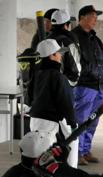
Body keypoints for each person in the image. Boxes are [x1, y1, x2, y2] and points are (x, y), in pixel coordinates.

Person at [72, 5, 103, 165]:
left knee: (93, 120)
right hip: (84, 86)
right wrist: (86, 73)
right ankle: (78, 152)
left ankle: (86, 150)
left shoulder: (95, 38)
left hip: (98, 86)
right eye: (92, 16)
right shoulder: (74, 37)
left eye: (96, 16)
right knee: (81, 120)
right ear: (82, 17)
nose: (95, 19)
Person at [30, 39, 79, 169]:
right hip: (49, 122)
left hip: (34, 119)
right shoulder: (58, 77)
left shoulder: (37, 74)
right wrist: (73, 123)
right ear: (51, 56)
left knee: (36, 152)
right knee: (50, 154)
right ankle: (71, 174)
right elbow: (66, 101)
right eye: (58, 53)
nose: (61, 56)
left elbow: (29, 96)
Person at [48, 9, 81, 87]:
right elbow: (75, 68)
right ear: (67, 25)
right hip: (63, 86)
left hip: (47, 85)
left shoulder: (46, 41)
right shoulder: (68, 42)